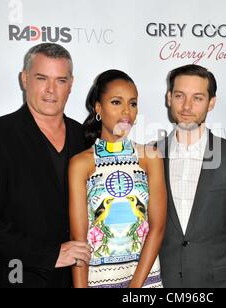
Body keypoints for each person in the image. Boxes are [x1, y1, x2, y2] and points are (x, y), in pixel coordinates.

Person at [0, 43, 91, 288]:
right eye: (42, 78)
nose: (51, 90)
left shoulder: (85, 137)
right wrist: (48, 255)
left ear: (71, 84)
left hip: (73, 281)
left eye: (61, 80)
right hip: (11, 278)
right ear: (25, 79)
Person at [157, 64, 226, 288]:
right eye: (179, 96)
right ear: (168, 98)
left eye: (198, 98)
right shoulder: (151, 156)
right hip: (162, 283)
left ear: (211, 103)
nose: (186, 106)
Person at [69, 69, 167, 288]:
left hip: (145, 283)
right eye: (116, 102)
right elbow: (79, 241)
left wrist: (135, 288)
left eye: (132, 104)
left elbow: (157, 228)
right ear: (98, 108)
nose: (126, 112)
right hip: (97, 282)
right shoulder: (81, 164)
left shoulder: (150, 157)